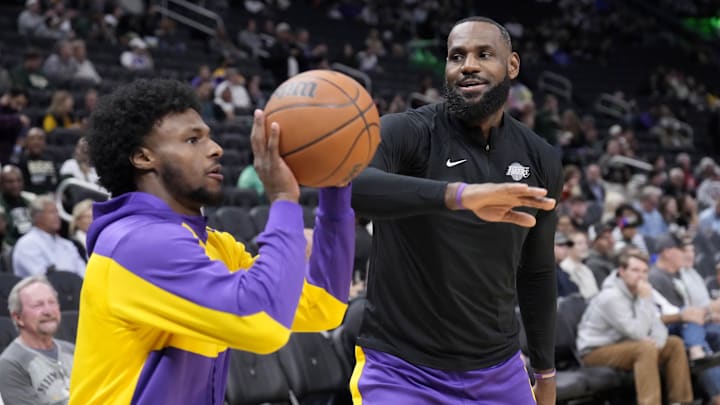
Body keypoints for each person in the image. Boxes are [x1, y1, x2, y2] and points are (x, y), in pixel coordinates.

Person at [68, 79, 356, 404]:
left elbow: (323, 307)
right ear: (143, 157)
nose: (216, 148)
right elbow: (264, 324)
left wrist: (335, 185)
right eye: (193, 139)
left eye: (208, 135)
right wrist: (282, 199)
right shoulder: (137, 244)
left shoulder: (212, 246)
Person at [350, 17, 561, 404]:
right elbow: (355, 187)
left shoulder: (539, 157)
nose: (468, 65)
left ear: (512, 66)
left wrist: (545, 372)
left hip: (498, 369)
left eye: (484, 54)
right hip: (402, 369)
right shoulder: (407, 132)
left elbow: (537, 270)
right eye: (456, 56)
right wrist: (460, 195)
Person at [576, 251, 693, 405]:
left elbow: (657, 325)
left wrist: (656, 343)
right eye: (635, 270)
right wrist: (645, 300)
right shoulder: (610, 296)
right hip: (594, 351)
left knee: (674, 344)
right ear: (622, 271)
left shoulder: (641, 291)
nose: (641, 276)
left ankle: (681, 402)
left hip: (627, 345)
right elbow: (637, 332)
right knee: (644, 349)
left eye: (644, 271)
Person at [0, 276, 75, 405]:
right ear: (18, 317)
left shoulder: (71, 350)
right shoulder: (10, 364)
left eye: (52, 302)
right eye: (38, 305)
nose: (48, 311)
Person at [12, 195, 87, 278]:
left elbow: (84, 274)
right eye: (52, 212)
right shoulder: (26, 244)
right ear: (37, 217)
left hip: (76, 288)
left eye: (57, 212)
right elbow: (42, 278)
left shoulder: (67, 244)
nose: (57, 216)